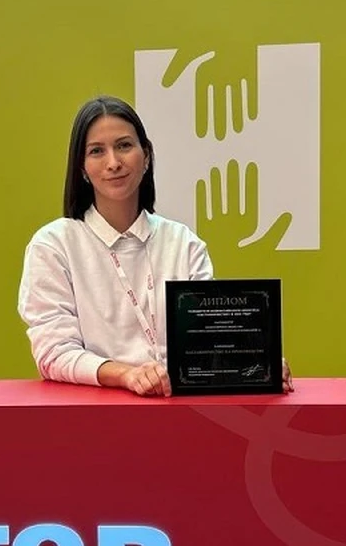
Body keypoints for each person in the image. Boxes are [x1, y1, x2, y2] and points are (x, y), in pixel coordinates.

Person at [17, 95, 293, 397]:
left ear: (146, 155)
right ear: (82, 168)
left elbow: (205, 341)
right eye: (96, 151)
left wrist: (255, 366)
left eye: (124, 146)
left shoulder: (183, 243)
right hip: (93, 414)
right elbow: (54, 353)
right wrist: (126, 375)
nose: (113, 163)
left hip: (179, 412)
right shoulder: (54, 246)